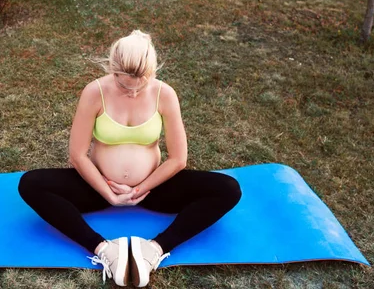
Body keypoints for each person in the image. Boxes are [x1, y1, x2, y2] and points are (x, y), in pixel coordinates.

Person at [18, 30, 241, 287]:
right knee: (30, 184)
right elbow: (77, 155)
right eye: (125, 85)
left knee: (228, 189)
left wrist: (139, 189)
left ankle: (154, 250)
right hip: (99, 188)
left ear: (153, 72)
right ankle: (104, 250)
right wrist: (110, 194)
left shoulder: (165, 94)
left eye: (141, 84)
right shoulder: (94, 92)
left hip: (152, 189)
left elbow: (179, 159)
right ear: (113, 71)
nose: (133, 93)